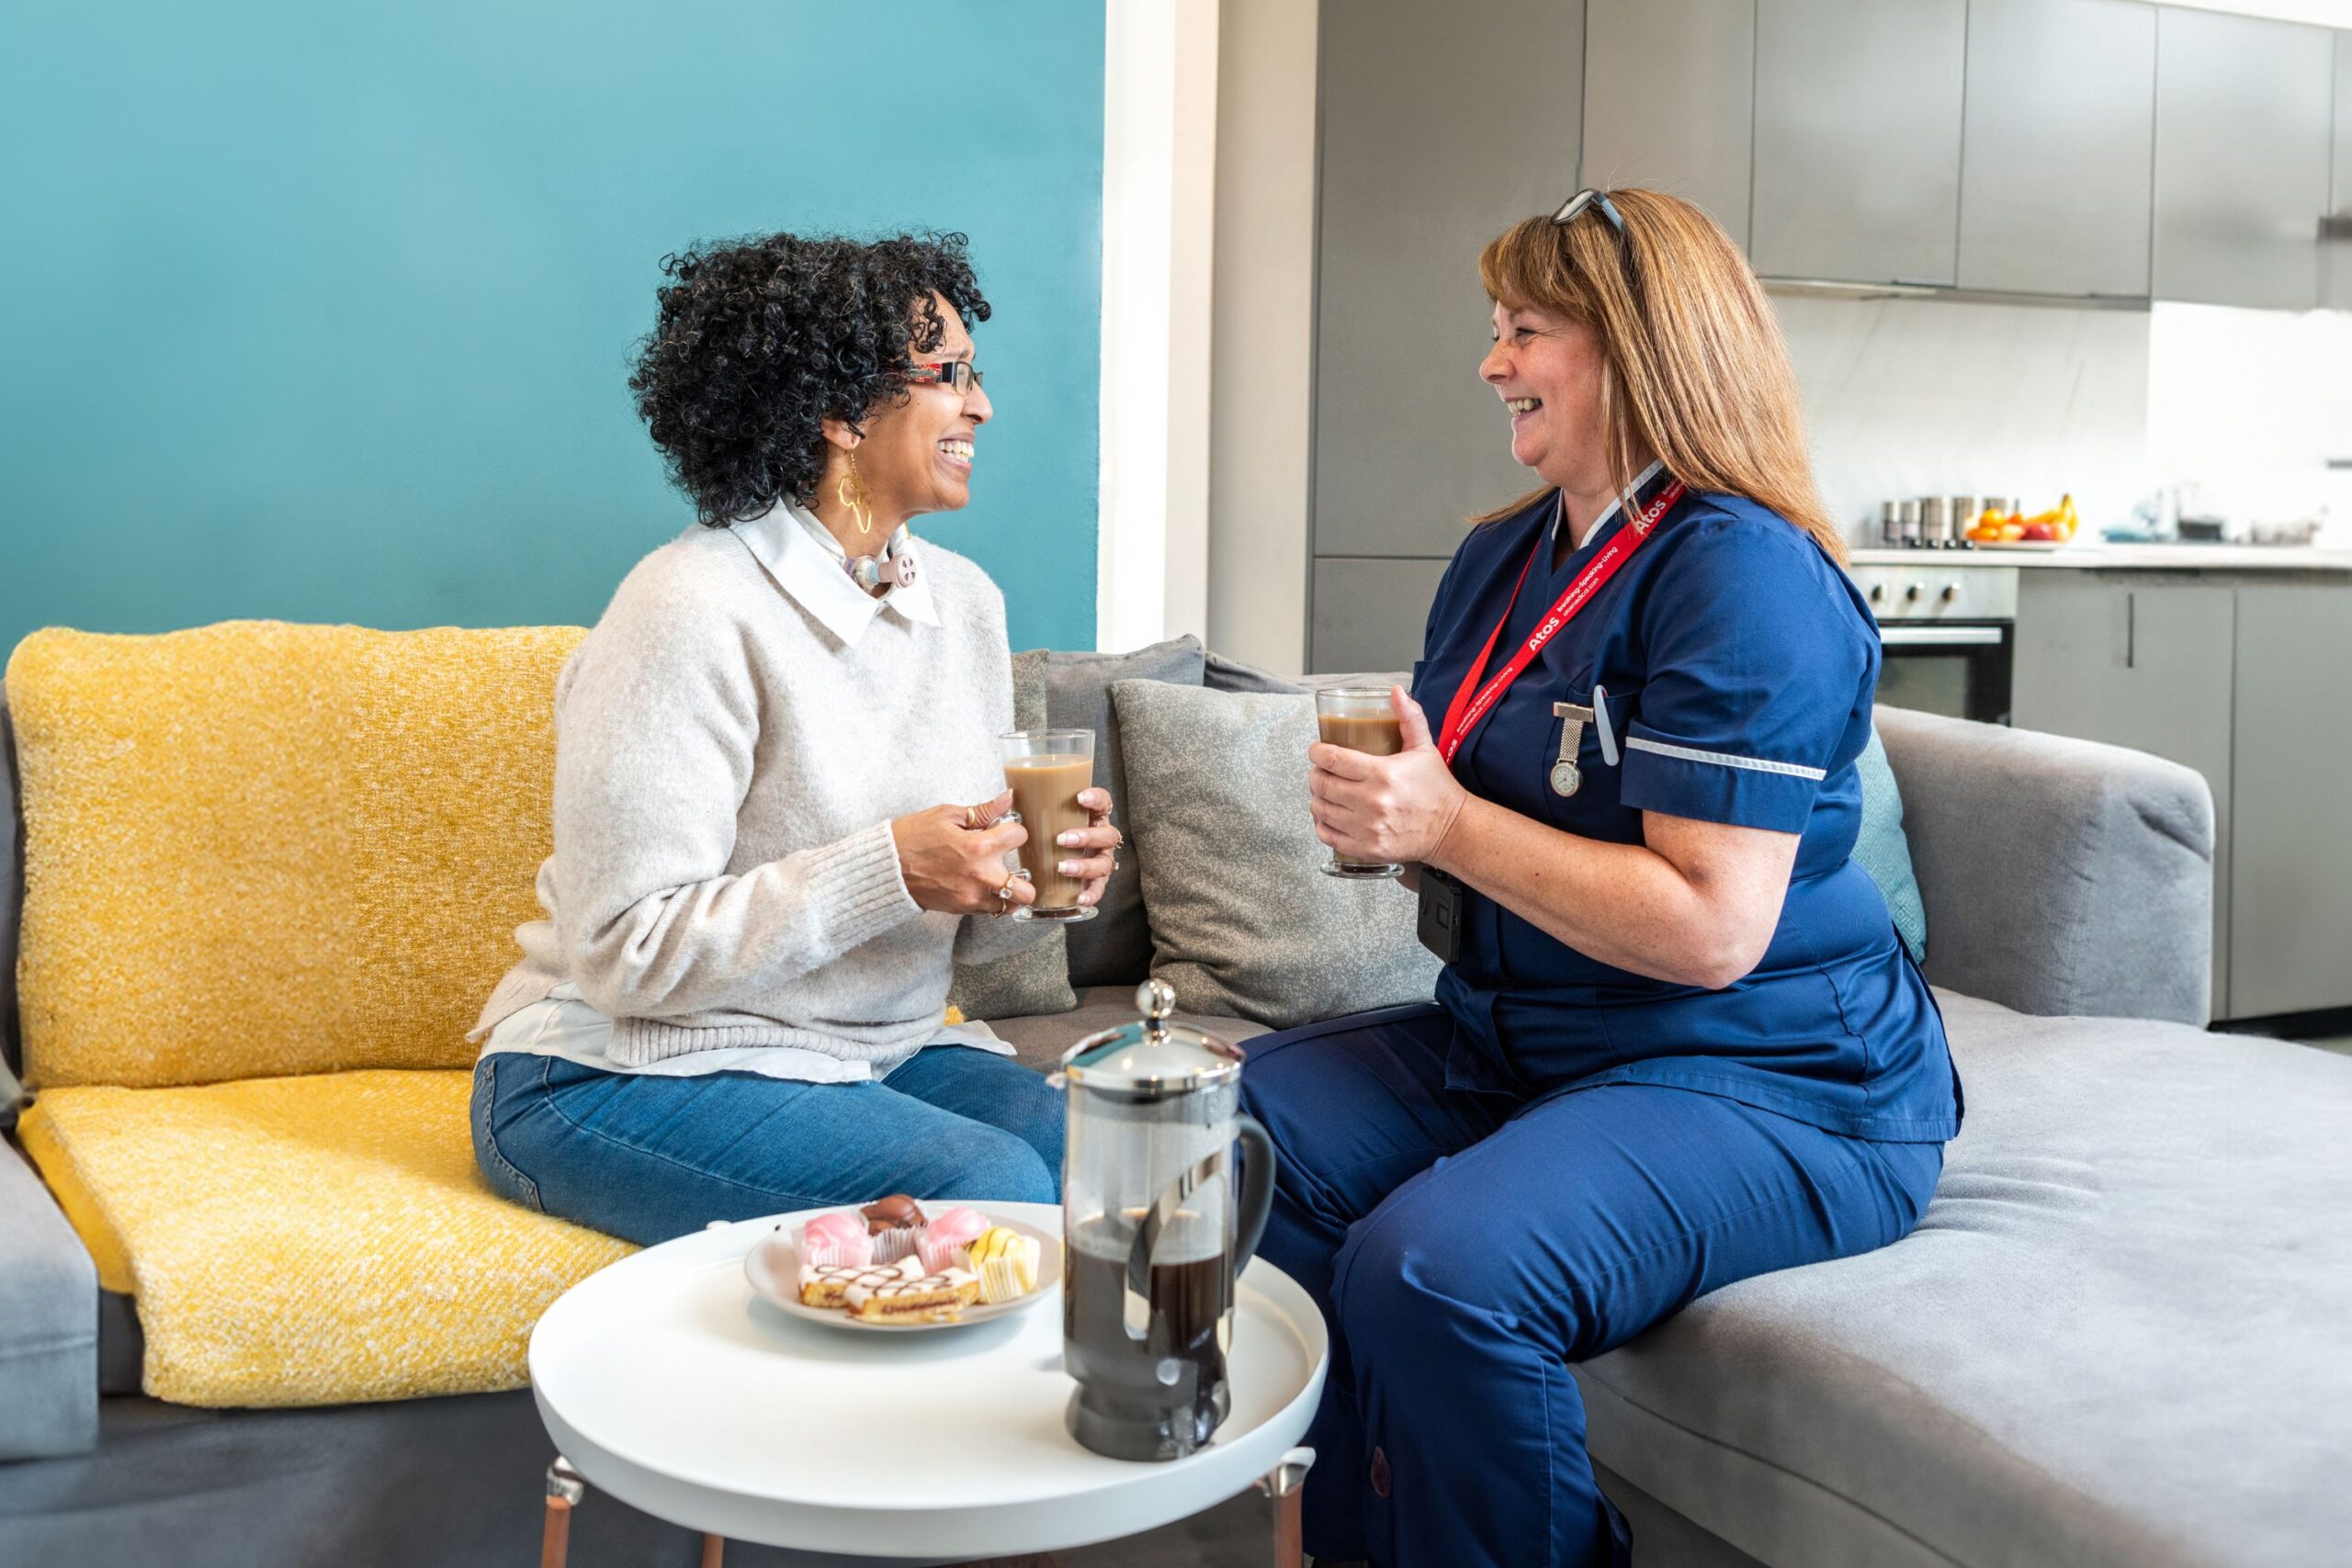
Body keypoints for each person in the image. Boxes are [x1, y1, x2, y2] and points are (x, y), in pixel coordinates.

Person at [1238, 189, 1962, 1568]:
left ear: (1636, 348)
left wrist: (1444, 826)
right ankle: (1355, 1541)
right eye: (1496, 331)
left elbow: (1709, 928)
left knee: (1437, 1269)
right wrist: (1402, 818)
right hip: (1535, 1041)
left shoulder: (1745, 573)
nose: (1491, 363)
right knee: (1238, 1133)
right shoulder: (1502, 554)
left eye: (1524, 331)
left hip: (1774, 1078)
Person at [466, 231, 1119, 1246]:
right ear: (841, 410)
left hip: (867, 1053)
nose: (980, 406)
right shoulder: (689, 608)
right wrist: (892, 870)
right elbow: (621, 954)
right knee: (989, 1193)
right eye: (948, 376)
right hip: (609, 1069)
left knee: (1125, 1157)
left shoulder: (965, 606)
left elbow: (970, 943)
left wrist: (1026, 882)